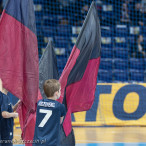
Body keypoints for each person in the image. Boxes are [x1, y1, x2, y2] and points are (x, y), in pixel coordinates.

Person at [33, 79, 66, 146]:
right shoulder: (60, 106)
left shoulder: (39, 103)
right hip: (52, 142)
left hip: (38, 142)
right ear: (56, 93)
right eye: (60, 90)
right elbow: (60, 122)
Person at [0, 79, 19, 146]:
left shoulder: (4, 96)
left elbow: (11, 109)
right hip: (6, 128)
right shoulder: (4, 97)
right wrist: (14, 114)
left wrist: (18, 103)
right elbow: (4, 114)